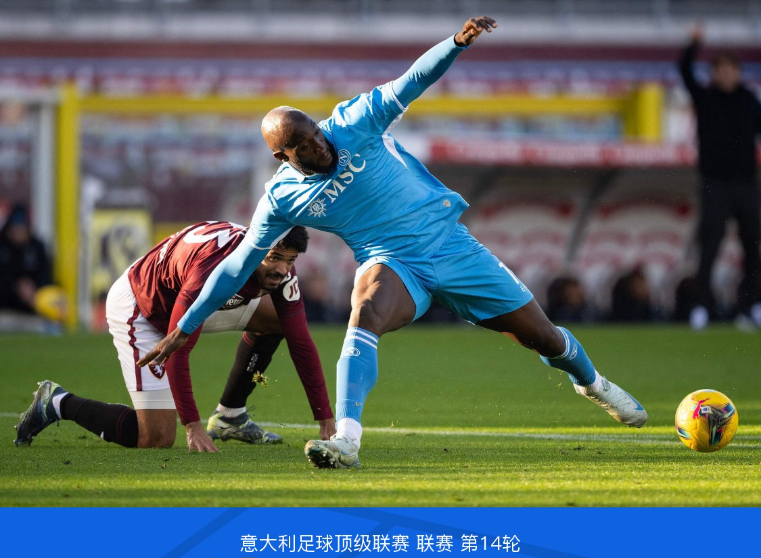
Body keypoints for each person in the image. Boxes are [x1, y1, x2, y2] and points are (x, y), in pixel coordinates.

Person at [141, 16, 647, 469]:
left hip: (451, 246)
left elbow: (413, 81)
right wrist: (186, 326)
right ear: (282, 157)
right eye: (304, 147)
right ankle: (346, 440)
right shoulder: (281, 199)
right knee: (363, 313)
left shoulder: (354, 122)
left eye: (316, 134)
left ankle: (593, 384)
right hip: (392, 263)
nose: (319, 146)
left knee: (544, 338)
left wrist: (455, 43)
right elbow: (236, 267)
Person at [14, 222, 334, 451]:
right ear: (258, 246)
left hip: (190, 298)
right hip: (143, 308)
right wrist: (192, 426)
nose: (282, 270)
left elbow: (301, 343)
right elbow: (178, 346)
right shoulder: (213, 270)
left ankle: (230, 415)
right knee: (155, 438)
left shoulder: (276, 268)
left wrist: (326, 420)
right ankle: (57, 402)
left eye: (290, 260)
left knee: (279, 321)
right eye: (275, 257)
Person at [679, 26, 761, 331]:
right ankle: (701, 307)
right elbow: (684, 71)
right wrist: (694, 43)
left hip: (746, 184)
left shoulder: (749, 101)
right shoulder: (705, 98)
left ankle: (751, 306)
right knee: (709, 247)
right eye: (721, 70)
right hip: (714, 184)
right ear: (713, 74)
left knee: (752, 247)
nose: (726, 75)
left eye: (731, 70)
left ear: (738, 73)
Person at [0, 203, 53, 314]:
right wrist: (16, 286)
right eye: (16, 228)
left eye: (22, 229)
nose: (19, 233)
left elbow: (46, 276)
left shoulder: (36, 247)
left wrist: (34, 290)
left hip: (31, 309)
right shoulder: (2, 245)